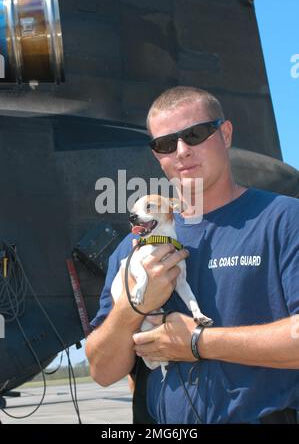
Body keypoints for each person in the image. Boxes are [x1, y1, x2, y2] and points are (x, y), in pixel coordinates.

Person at [85, 86, 299, 424]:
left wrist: (199, 341)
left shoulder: (285, 220)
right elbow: (102, 371)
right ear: (157, 155)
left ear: (225, 134)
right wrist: (131, 308)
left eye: (196, 134)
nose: (182, 151)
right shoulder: (132, 249)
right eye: (166, 144)